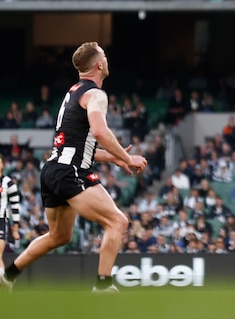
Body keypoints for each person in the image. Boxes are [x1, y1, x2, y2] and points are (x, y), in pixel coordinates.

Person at [0, 42, 148, 293]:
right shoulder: (97, 95)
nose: (107, 59)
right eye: (104, 55)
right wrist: (128, 157)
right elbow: (100, 131)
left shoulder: (74, 92)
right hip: (71, 173)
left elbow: (79, 147)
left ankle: (9, 274)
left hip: (53, 170)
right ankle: (103, 286)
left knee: (59, 236)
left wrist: (115, 158)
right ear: (99, 64)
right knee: (117, 223)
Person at [0, 157, 21, 272]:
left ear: (2, 165)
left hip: (1, 221)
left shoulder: (8, 183)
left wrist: (15, 228)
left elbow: (15, 206)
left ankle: (4, 283)